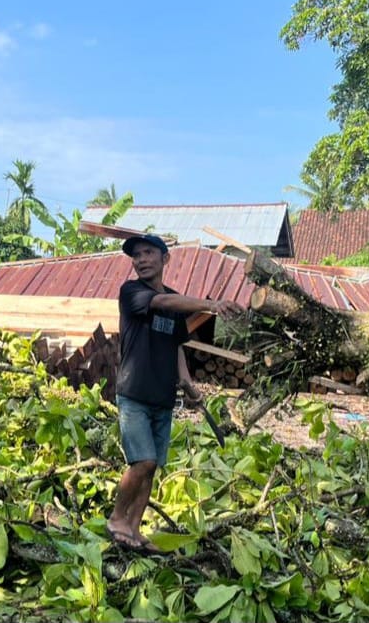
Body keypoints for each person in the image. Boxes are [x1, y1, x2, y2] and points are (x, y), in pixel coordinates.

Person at [106, 233, 245, 554]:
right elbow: (162, 303)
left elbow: (176, 347)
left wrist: (187, 383)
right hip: (134, 393)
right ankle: (116, 518)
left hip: (162, 397)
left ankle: (135, 528)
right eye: (136, 255)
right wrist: (212, 305)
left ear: (165, 259)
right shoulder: (132, 292)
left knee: (152, 467)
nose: (141, 260)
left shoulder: (174, 299)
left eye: (148, 253)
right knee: (143, 461)